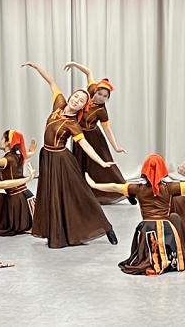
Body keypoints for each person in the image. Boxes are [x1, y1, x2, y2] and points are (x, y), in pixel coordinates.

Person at [23, 61, 119, 249]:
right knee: (50, 194)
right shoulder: (59, 104)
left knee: (80, 193)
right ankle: (54, 229)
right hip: (47, 157)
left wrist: (101, 162)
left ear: (83, 106)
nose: (76, 100)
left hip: (62, 160)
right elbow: (51, 82)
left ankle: (106, 227)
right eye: (76, 96)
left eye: (81, 101)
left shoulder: (73, 123)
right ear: (71, 96)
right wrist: (36, 67)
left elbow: (85, 145)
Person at [87, 154, 185, 276]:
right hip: (167, 229)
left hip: (146, 228)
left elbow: (114, 187)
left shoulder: (138, 189)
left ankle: (152, 260)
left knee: (173, 219)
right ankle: (169, 258)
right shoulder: (169, 188)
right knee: (174, 219)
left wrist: (94, 185)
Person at [64, 62, 134, 205]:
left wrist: (116, 147)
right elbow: (89, 72)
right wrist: (74, 64)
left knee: (106, 167)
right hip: (79, 137)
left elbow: (107, 130)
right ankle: (83, 195)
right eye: (100, 94)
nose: (101, 97)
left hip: (94, 138)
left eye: (105, 96)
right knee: (81, 167)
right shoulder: (88, 94)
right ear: (95, 91)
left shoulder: (102, 111)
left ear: (107, 98)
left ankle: (127, 191)